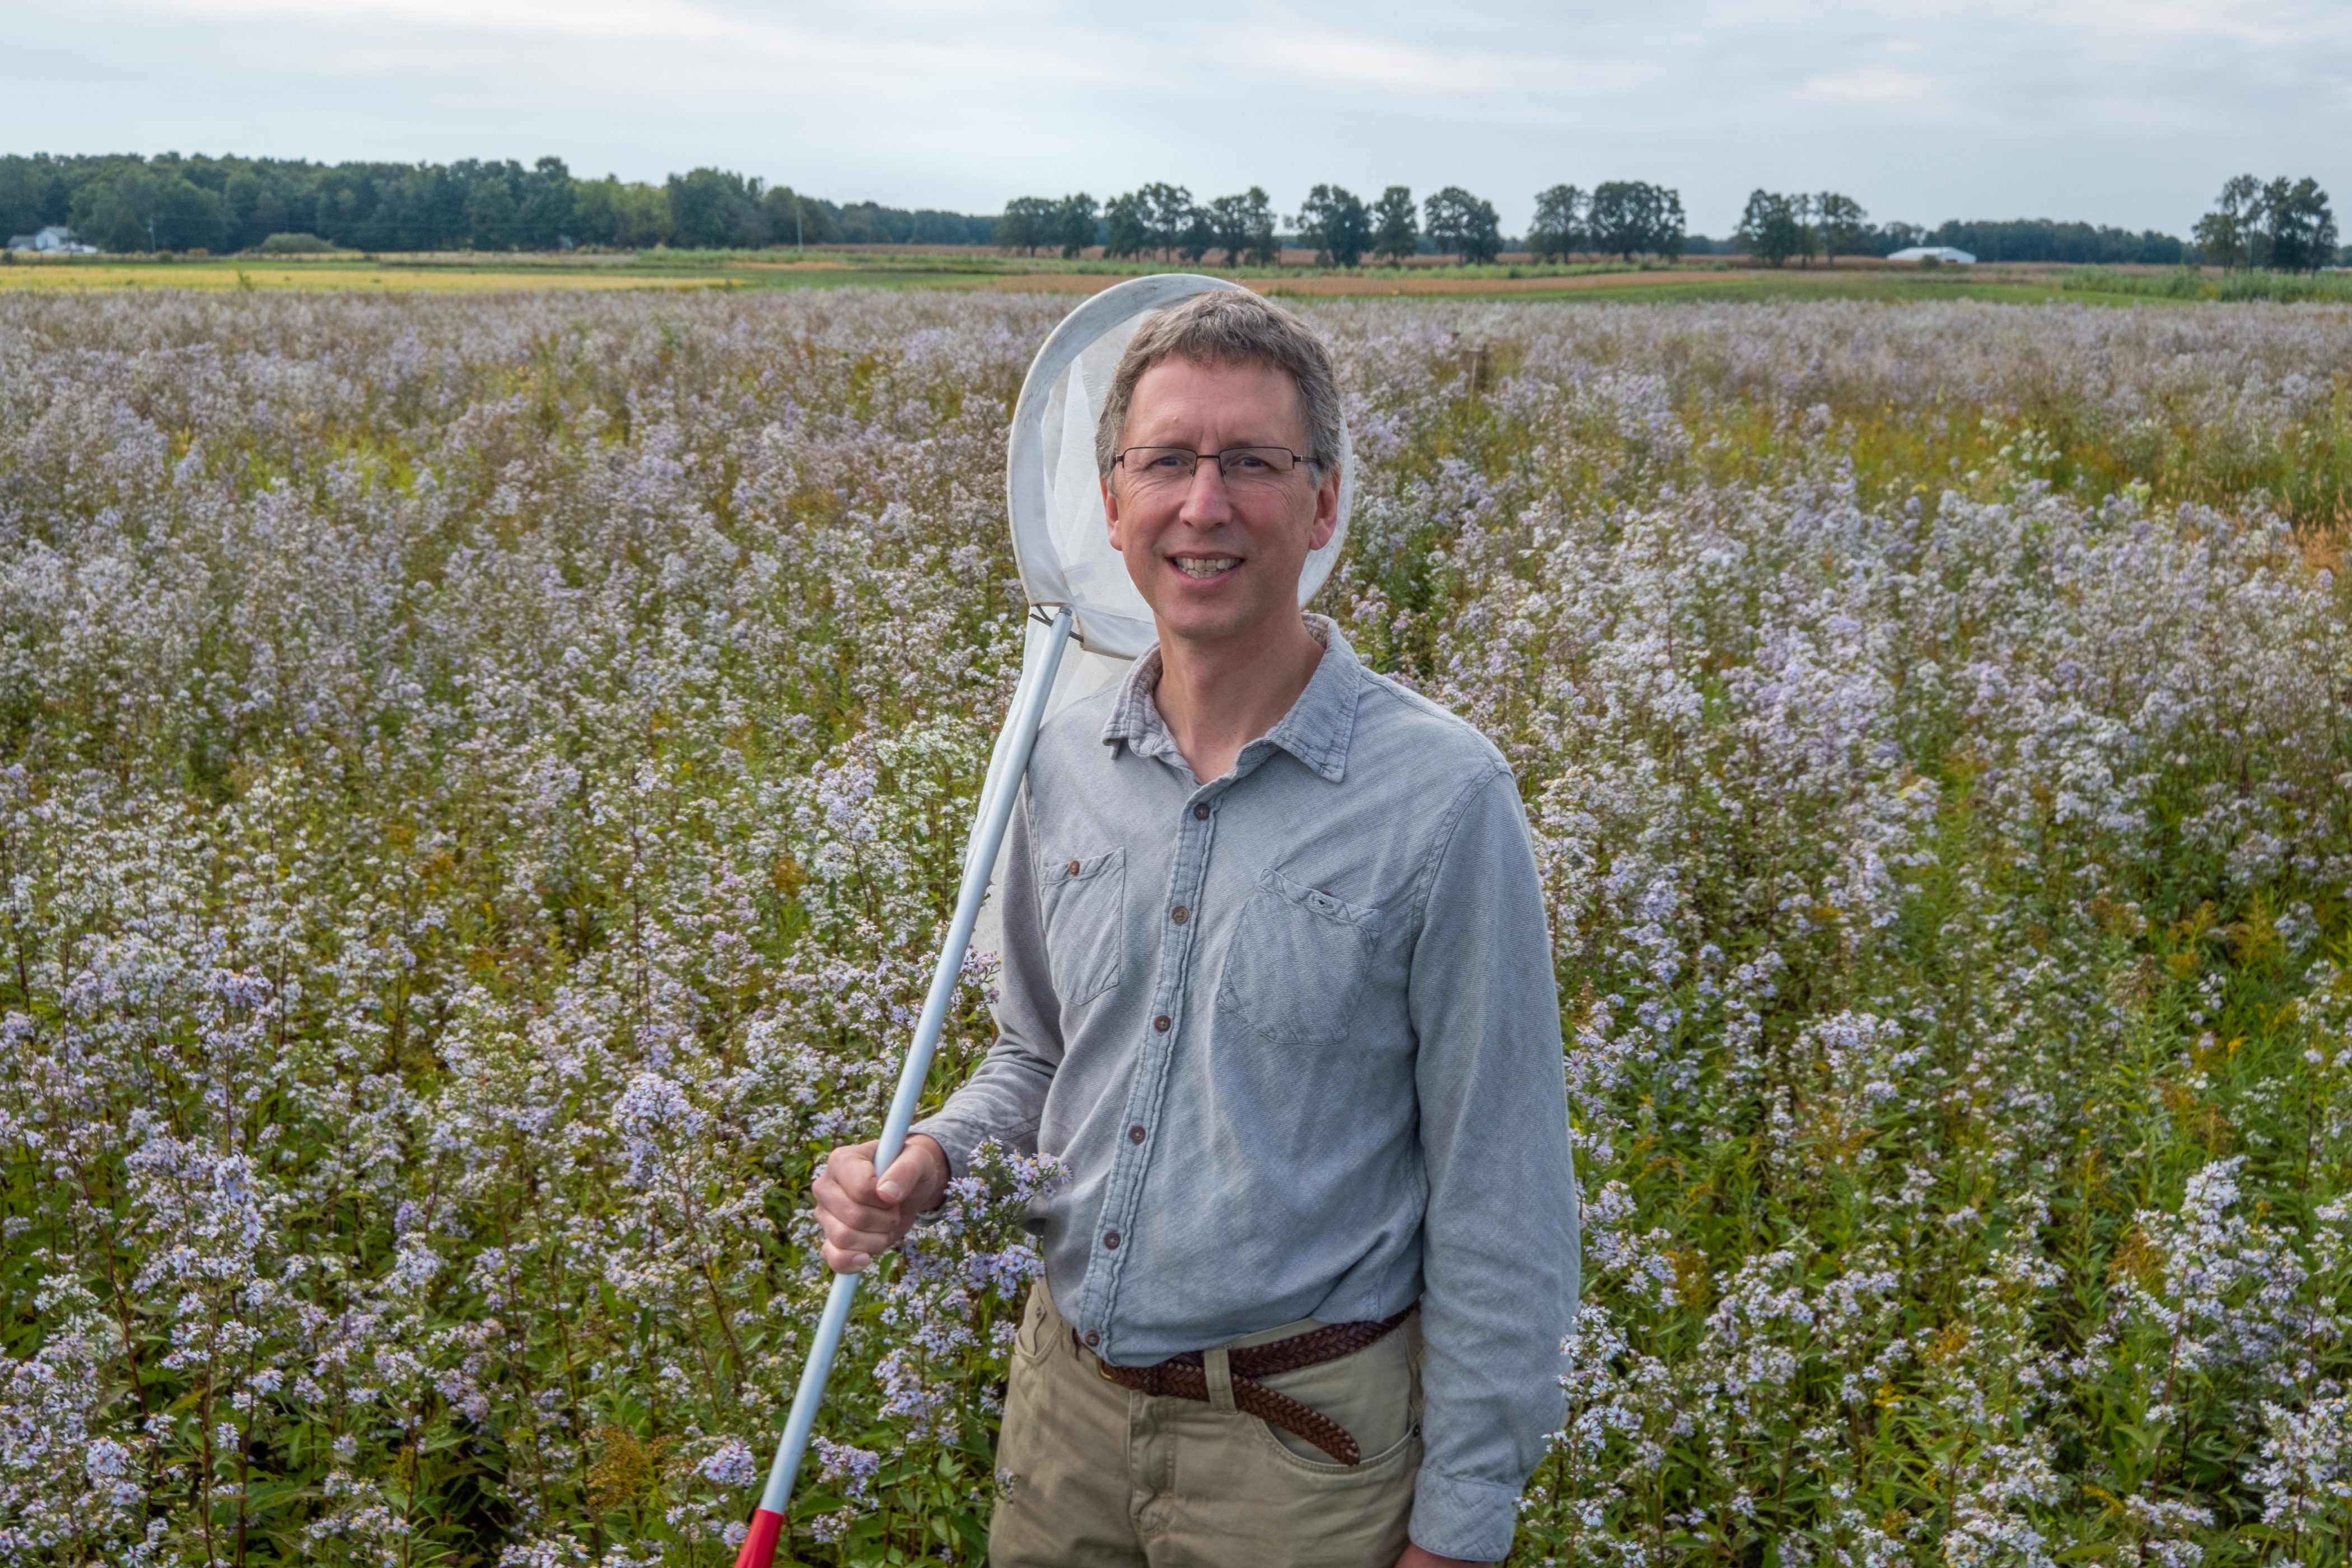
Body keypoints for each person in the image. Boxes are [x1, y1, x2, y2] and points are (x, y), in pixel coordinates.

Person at [811, 290, 1577, 1568]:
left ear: (1322, 504)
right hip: (1064, 1424)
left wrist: (1462, 1526)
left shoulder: (1443, 799)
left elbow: (1503, 1190)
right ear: (1112, 505)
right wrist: (930, 1158)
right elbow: (1042, 1058)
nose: (1204, 504)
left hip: (1301, 1462)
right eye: (1166, 461)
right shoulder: (1054, 760)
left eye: (1253, 464)